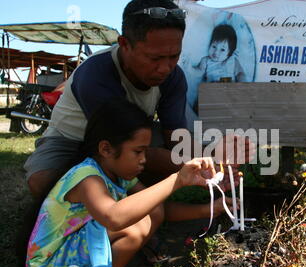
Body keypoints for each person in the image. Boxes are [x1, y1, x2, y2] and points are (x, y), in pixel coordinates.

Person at [25, 99, 233, 267]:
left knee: (149, 212)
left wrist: (210, 208)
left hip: (68, 263)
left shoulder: (119, 176)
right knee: (133, 229)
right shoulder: (87, 179)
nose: (144, 159)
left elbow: (156, 209)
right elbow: (114, 217)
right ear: (106, 149)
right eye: (138, 151)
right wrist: (176, 179)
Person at [23, 0, 219, 201]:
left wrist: (216, 159)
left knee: (162, 150)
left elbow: (176, 138)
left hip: (130, 142)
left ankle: (126, 193)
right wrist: (195, 166)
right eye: (154, 58)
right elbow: (123, 146)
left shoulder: (174, 77)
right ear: (124, 44)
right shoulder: (96, 74)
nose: (165, 68)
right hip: (72, 140)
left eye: (174, 56)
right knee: (43, 183)